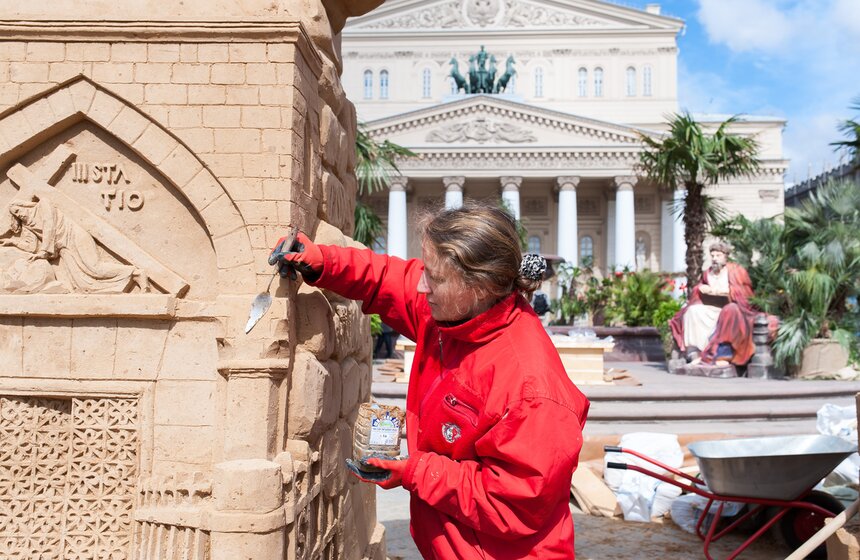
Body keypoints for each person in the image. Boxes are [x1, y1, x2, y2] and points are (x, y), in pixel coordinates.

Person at [275, 202, 589, 559]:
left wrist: (416, 471)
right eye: (427, 269)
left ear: (480, 286)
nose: (423, 286)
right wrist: (323, 261)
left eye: (436, 278)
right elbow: (389, 278)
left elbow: (515, 502)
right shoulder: (455, 307)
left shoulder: (531, 389)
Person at [669, 242, 762, 366]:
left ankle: (723, 355)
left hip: (731, 308)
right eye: (712, 255)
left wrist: (729, 292)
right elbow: (698, 291)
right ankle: (695, 352)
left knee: (730, 310)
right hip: (711, 307)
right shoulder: (708, 273)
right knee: (692, 311)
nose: (714, 259)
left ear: (725, 256)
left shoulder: (735, 270)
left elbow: (746, 293)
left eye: (718, 255)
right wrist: (701, 288)